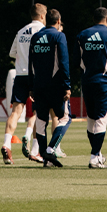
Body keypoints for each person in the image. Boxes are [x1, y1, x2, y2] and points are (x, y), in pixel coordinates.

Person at [76, 7, 107, 169]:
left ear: (93, 18)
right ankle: (94, 157)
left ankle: (98, 153)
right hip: (105, 83)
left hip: (87, 82)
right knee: (101, 121)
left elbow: (78, 60)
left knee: (91, 120)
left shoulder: (82, 35)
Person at [2, 3, 46, 165]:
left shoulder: (21, 31)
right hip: (36, 76)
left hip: (20, 75)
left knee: (16, 112)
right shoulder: (43, 31)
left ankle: (7, 143)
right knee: (37, 113)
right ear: (42, 16)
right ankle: (35, 150)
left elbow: (12, 53)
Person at [27, 9, 72, 168]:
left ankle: (46, 159)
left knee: (40, 121)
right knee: (65, 118)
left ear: (46, 20)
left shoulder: (36, 37)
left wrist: (31, 86)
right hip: (56, 86)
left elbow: (30, 63)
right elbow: (63, 62)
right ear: (59, 21)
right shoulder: (59, 36)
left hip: (38, 86)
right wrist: (67, 86)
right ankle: (50, 149)